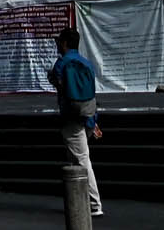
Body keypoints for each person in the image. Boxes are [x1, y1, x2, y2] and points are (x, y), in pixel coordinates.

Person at [48, 26, 103, 219]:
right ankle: (80, 199)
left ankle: (94, 203)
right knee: (77, 158)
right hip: (88, 115)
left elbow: (59, 85)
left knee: (81, 160)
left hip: (71, 117)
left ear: (64, 43)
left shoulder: (62, 63)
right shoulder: (86, 63)